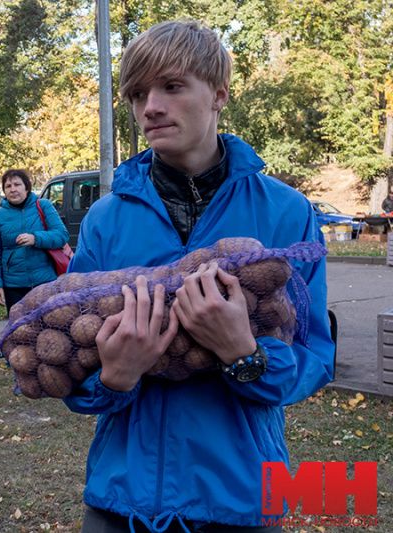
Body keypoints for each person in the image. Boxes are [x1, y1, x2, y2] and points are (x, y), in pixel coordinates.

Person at [64, 21, 334, 533]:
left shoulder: (285, 212)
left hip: (240, 503)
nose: (150, 108)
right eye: (138, 93)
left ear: (219, 94)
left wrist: (242, 355)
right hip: (119, 504)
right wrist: (116, 376)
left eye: (171, 86)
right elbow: (72, 363)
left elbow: (314, 358)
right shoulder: (105, 219)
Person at [0, 169, 69, 313]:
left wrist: (35, 238)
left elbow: (61, 235)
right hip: (14, 287)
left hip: (45, 283)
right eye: (8, 186)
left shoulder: (43, 205)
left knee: (49, 328)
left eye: (17, 184)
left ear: (26, 187)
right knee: (20, 331)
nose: (13, 189)